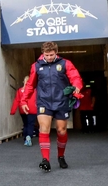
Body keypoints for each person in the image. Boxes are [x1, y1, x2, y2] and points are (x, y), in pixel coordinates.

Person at [21, 41, 82, 172]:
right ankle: (45, 160)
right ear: (42, 53)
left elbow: (75, 77)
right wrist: (24, 100)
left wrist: (77, 86)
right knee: (44, 128)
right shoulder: (36, 66)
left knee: (61, 130)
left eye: (51, 55)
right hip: (44, 102)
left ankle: (61, 156)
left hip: (61, 101)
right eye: (47, 55)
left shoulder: (65, 63)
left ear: (56, 53)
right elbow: (31, 85)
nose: (49, 57)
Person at [11, 76, 37, 146]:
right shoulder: (35, 90)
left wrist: (13, 111)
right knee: (30, 124)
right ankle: (29, 137)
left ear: (24, 82)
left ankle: (25, 138)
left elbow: (16, 101)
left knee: (25, 124)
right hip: (32, 109)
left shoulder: (20, 91)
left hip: (22, 109)